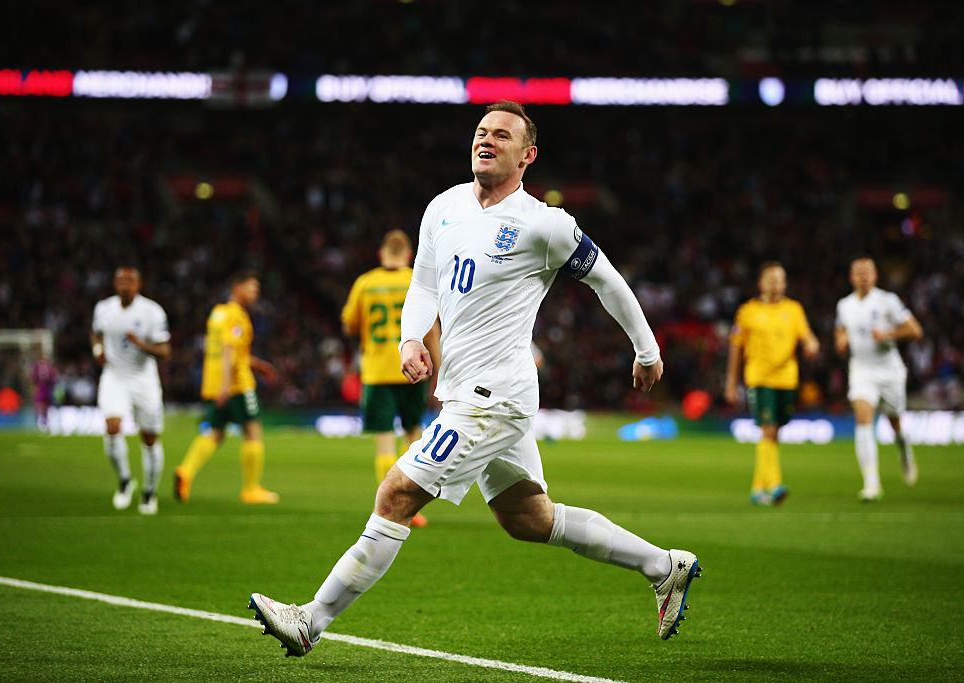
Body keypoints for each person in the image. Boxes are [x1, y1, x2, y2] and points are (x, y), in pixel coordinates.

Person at [248, 100, 700, 655]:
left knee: (395, 493)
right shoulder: (443, 207)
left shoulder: (545, 224)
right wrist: (410, 338)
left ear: (528, 155)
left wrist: (647, 350)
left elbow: (607, 280)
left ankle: (310, 620)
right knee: (529, 518)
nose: (486, 140)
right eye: (482, 132)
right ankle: (664, 566)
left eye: (502, 135)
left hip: (494, 398)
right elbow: (424, 285)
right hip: (464, 392)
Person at [340, 229, 440, 528]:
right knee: (413, 438)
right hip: (414, 369)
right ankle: (410, 509)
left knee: (384, 441)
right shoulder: (417, 281)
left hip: (377, 372)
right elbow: (432, 330)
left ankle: (388, 508)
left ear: (381, 254)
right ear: (409, 255)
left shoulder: (365, 283)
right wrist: (439, 372)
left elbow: (349, 325)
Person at [174, 270, 280, 504]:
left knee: (216, 432)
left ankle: (185, 471)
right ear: (237, 288)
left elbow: (227, 351)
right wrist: (226, 387)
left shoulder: (217, 314)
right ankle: (251, 489)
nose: (256, 293)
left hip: (214, 382)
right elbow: (230, 351)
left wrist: (256, 365)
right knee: (253, 430)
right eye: (252, 287)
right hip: (236, 384)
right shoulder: (237, 315)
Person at [724, 261, 820, 506]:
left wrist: (811, 343)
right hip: (759, 378)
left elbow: (807, 335)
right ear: (761, 283)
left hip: (787, 379)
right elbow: (736, 348)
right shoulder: (748, 311)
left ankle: (758, 488)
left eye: (780, 279)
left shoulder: (794, 309)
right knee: (768, 428)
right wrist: (731, 383)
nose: (776, 284)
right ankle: (775, 484)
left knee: (774, 431)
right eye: (771, 279)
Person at [835, 256, 923, 501]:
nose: (863, 277)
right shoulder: (844, 305)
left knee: (895, 421)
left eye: (868, 272)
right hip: (861, 370)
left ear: (875, 276)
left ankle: (904, 450)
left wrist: (887, 334)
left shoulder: (888, 301)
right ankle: (871, 484)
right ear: (852, 277)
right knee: (863, 419)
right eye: (859, 273)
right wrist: (841, 341)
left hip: (889, 371)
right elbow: (840, 329)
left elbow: (915, 330)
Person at [91, 266, 171, 515]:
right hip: (114, 376)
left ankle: (149, 492)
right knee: (112, 427)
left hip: (143, 379)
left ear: (139, 285)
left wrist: (141, 344)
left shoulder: (152, 311)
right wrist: (98, 350)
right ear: (115, 284)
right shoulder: (104, 309)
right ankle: (125, 480)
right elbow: (96, 334)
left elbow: (165, 351)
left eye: (130, 281)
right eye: (121, 281)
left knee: (149, 438)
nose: (125, 286)